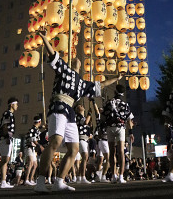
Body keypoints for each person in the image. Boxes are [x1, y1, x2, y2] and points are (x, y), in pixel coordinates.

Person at [34, 30, 122, 193]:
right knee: (55, 141)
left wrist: (116, 79)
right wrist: (45, 39)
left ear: (80, 67)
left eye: (79, 61)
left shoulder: (82, 83)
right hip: (59, 106)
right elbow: (53, 55)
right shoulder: (63, 69)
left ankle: (59, 181)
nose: (77, 60)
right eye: (75, 59)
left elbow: (100, 85)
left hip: (71, 114)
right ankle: (40, 182)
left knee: (74, 149)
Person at [103, 83, 134, 184]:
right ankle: (121, 176)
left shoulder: (108, 103)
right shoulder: (125, 104)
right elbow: (130, 120)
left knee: (112, 152)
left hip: (109, 127)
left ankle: (113, 176)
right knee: (121, 152)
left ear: (115, 92)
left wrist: (100, 130)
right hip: (120, 127)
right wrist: (131, 132)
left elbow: (103, 118)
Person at [0, 97, 18, 188]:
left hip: (6, 137)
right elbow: (5, 125)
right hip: (5, 138)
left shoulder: (9, 114)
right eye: (16, 104)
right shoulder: (7, 113)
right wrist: (7, 137)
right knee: (5, 160)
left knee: (6, 161)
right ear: (12, 104)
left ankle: (3, 181)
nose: (17, 106)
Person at [75, 104, 92, 184]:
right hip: (81, 138)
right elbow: (85, 122)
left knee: (83, 158)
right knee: (85, 156)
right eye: (80, 106)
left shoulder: (81, 117)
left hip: (84, 139)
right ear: (77, 109)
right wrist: (89, 114)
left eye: (82, 105)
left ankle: (79, 177)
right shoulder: (78, 116)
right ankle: (83, 177)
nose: (82, 105)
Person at [94, 103, 110, 182]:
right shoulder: (101, 119)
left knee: (100, 160)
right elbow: (96, 111)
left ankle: (98, 176)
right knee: (108, 159)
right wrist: (94, 102)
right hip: (103, 140)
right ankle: (103, 176)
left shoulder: (102, 120)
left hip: (101, 141)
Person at [24, 115, 42, 186]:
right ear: (39, 122)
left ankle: (31, 179)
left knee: (35, 165)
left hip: (33, 149)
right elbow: (34, 140)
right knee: (31, 163)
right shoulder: (33, 129)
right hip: (29, 147)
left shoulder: (36, 130)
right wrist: (40, 146)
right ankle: (26, 179)